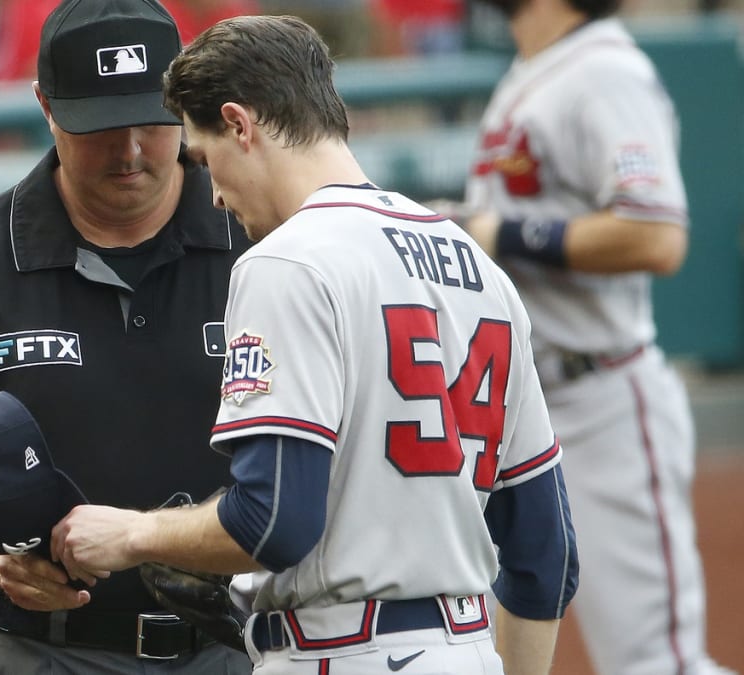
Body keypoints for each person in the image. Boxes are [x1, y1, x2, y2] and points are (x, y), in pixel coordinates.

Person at [52, 15, 580, 675]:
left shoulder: (287, 263)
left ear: (240, 125)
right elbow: (546, 551)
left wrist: (133, 535)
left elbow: (272, 521)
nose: (212, 191)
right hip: (467, 652)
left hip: (341, 655)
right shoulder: (478, 267)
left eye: (206, 157)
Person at [0, 0, 252, 671]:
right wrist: (1, 566)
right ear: (46, 106)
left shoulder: (260, 242)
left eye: (149, 122)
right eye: (100, 127)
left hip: (234, 649)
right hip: (37, 650)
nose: (129, 151)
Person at [455, 1, 737, 674]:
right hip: (517, 410)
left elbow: (656, 234)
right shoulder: (539, 69)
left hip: (600, 396)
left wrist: (500, 234)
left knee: (654, 663)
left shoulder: (605, 70)